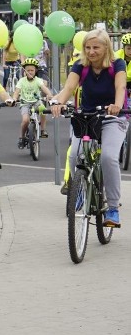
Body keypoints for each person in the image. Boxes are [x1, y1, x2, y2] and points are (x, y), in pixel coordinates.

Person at [50, 29, 127, 227]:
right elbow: (68, 88)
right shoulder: (81, 66)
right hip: (87, 117)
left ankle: (112, 208)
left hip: (112, 117)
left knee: (108, 157)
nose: (91, 51)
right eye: (87, 47)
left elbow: (120, 88)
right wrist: (57, 102)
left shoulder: (116, 64)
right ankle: (81, 190)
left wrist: (117, 105)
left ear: (106, 47)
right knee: (74, 154)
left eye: (96, 47)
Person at [12, 57, 54, 147]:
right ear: (24, 71)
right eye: (28, 70)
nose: (30, 72)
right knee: (25, 120)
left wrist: (50, 95)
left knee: (43, 109)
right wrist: (14, 99)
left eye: (32, 70)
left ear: (36, 71)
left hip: (36, 102)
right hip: (25, 103)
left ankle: (43, 129)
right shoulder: (21, 81)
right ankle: (22, 137)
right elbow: (16, 92)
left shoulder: (38, 80)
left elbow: (44, 89)